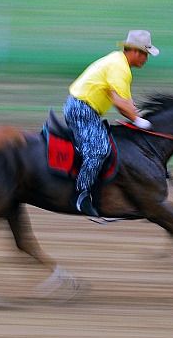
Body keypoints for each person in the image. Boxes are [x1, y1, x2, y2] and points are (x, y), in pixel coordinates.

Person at [63, 30, 158, 217]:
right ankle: (80, 195)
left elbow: (126, 102)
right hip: (81, 110)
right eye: (146, 54)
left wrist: (136, 116)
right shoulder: (119, 68)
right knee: (98, 149)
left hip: (86, 109)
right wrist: (139, 121)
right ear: (135, 52)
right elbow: (120, 104)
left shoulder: (119, 63)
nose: (146, 59)